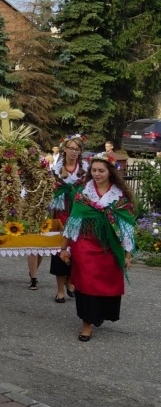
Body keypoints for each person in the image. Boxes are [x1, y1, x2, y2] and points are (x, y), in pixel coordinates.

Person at [59, 153, 135, 342]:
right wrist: (63, 248)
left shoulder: (120, 196)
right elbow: (73, 222)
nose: (97, 174)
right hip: (85, 243)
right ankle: (86, 324)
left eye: (101, 170)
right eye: (94, 170)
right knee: (85, 283)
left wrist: (127, 254)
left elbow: (126, 226)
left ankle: (98, 314)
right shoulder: (83, 194)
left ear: (110, 172)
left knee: (105, 282)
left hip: (110, 245)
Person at [49, 135, 88, 303]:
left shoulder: (85, 169)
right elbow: (52, 194)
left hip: (78, 215)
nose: (73, 152)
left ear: (80, 152)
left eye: (76, 149)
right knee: (59, 251)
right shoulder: (57, 169)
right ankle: (60, 290)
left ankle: (70, 281)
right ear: (64, 149)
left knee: (77, 251)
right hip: (62, 214)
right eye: (71, 148)